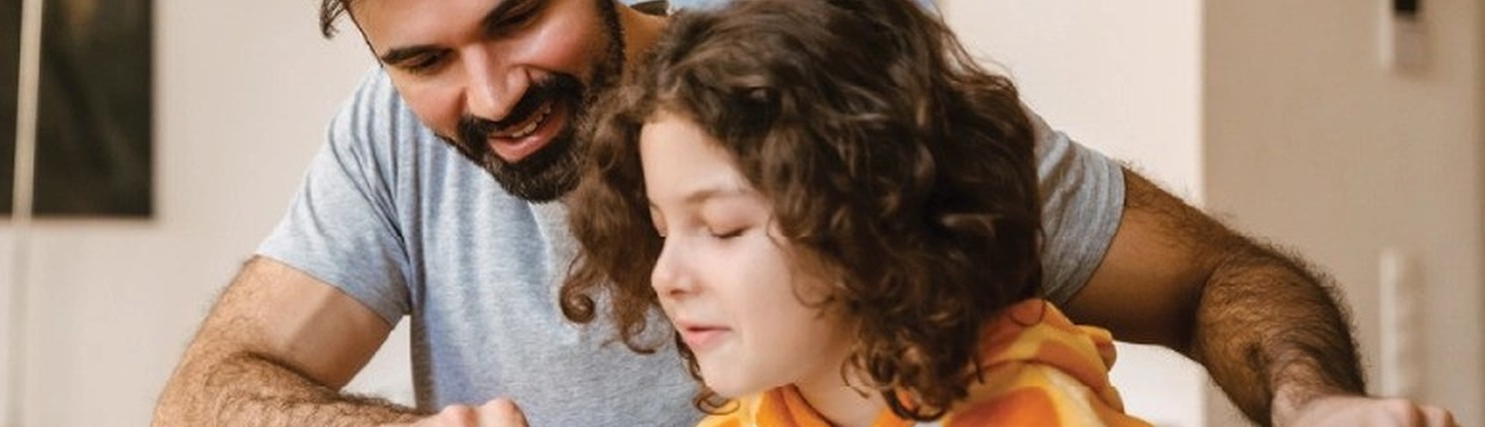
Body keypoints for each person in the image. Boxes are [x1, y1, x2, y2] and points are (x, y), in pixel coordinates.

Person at [151, 0, 1458, 425]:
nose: (493, 93)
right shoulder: (392, 141)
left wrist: (1309, 402)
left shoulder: (816, 95)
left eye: (517, 14)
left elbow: (1216, 279)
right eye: (421, 59)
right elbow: (208, 390)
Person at [560, 0, 1148, 424]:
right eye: (661, 233)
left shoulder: (1037, 414)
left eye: (721, 228)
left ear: (869, 217)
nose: (665, 277)